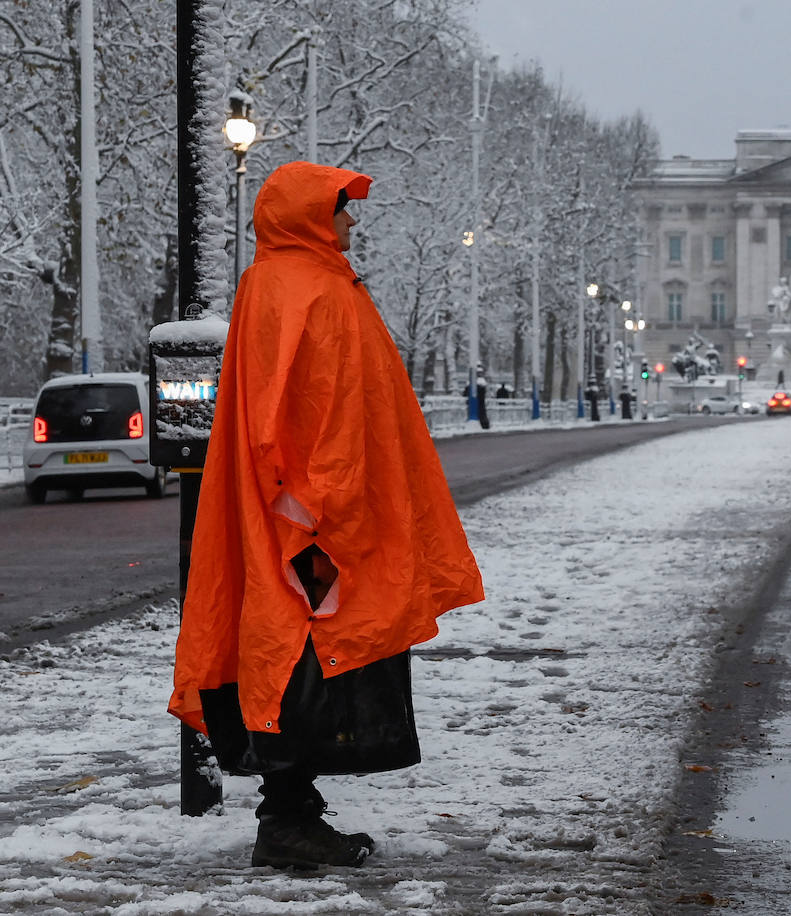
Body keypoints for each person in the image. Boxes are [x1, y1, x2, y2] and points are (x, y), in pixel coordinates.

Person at [169, 162, 484, 869]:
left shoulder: (299, 284)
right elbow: (298, 411)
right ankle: (286, 819)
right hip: (310, 517)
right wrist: (313, 519)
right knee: (305, 654)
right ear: (312, 214)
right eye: (342, 207)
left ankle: (292, 815)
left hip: (313, 509)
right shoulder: (300, 288)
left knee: (304, 653)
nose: (352, 219)